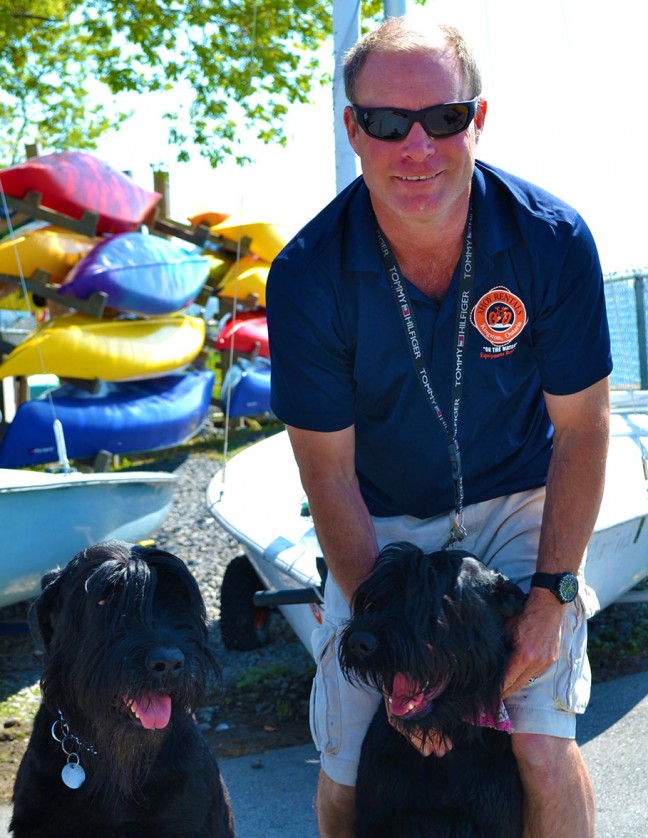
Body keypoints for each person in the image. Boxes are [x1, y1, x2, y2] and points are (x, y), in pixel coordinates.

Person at [266, 15, 611, 838]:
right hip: (380, 520)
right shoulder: (308, 275)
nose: (417, 146)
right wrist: (393, 642)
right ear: (354, 129)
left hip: (520, 501)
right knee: (349, 754)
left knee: (538, 742)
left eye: (443, 118)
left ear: (477, 119)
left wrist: (553, 595)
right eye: (388, 122)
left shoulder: (552, 241)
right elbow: (327, 475)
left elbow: (585, 430)